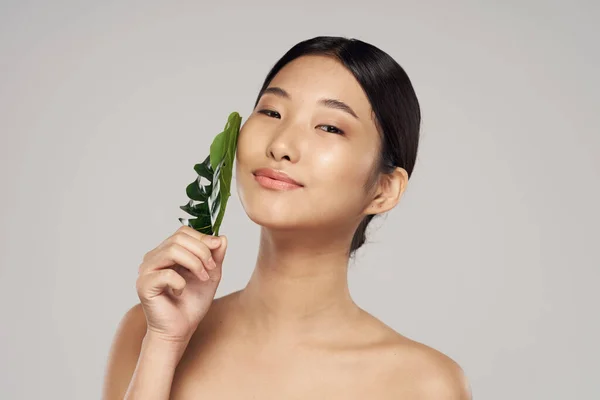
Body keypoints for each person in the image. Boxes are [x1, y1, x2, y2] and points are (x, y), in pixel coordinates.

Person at [102, 36, 472, 399]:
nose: (280, 145)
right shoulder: (148, 330)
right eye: (271, 112)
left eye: (329, 127)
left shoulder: (423, 385)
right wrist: (165, 342)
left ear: (383, 189)